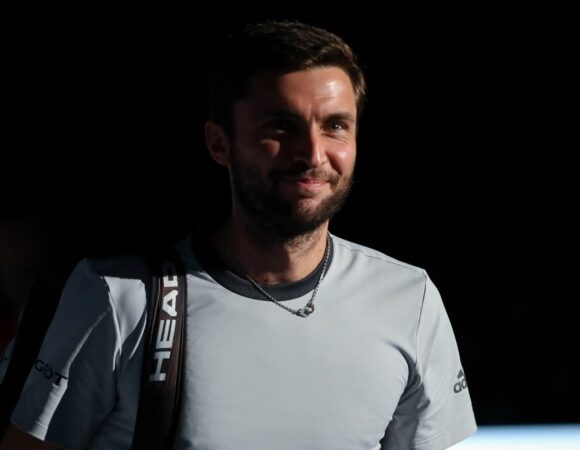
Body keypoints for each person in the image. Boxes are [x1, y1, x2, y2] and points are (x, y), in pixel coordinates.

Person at [0, 20, 476, 449]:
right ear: (219, 143)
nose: (312, 153)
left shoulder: (408, 298)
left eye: (335, 126)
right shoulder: (118, 298)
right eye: (280, 127)